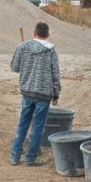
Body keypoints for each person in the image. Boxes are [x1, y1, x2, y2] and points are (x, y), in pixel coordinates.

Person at [9, 22, 61, 166]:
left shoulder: (23, 47)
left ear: (34, 33)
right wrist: (56, 93)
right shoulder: (51, 51)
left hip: (27, 92)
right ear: (48, 35)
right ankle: (31, 158)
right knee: (38, 127)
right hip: (43, 95)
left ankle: (15, 156)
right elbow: (55, 74)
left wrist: (25, 62)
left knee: (23, 124)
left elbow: (14, 67)